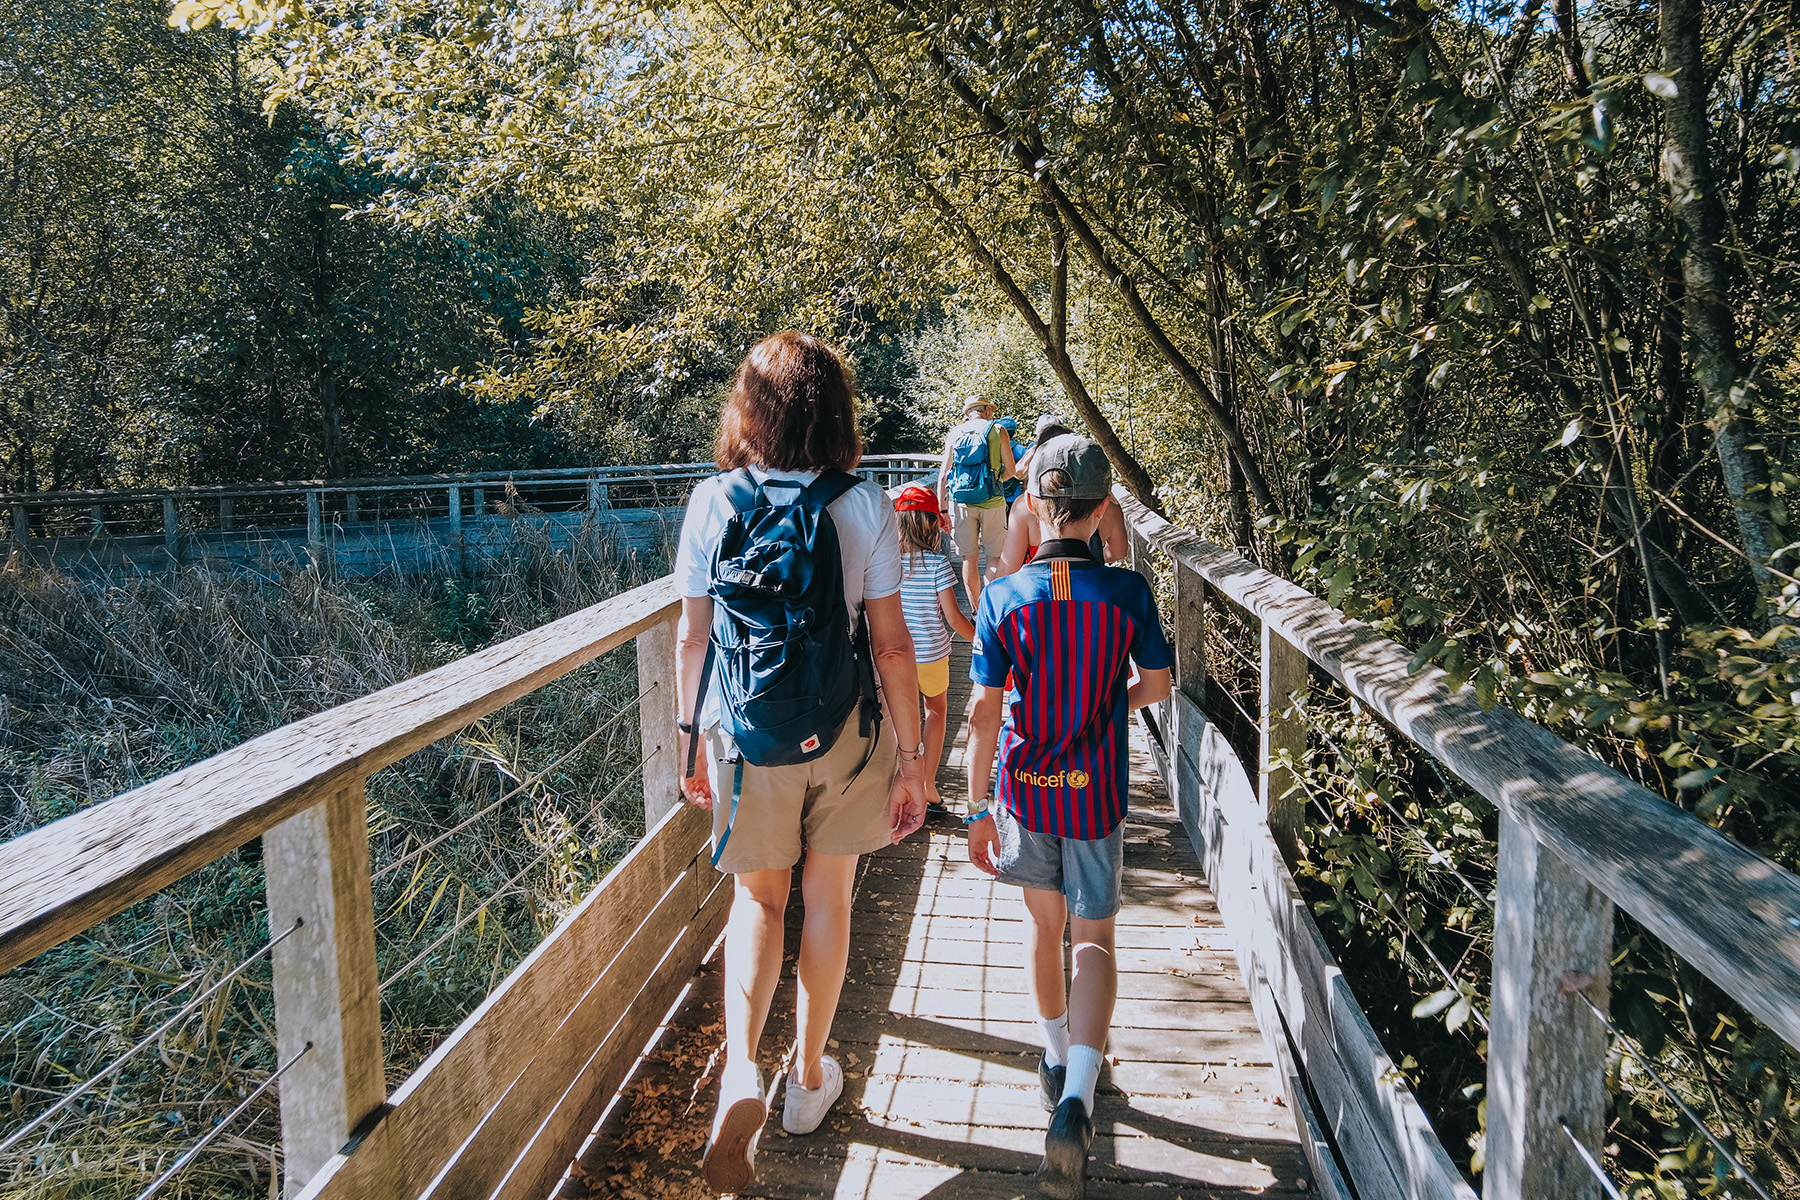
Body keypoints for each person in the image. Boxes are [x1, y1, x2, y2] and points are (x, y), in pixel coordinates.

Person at [676, 332, 929, 1193]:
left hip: (746, 739)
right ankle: (808, 1080)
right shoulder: (864, 505)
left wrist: (689, 737)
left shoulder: (712, 501)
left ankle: (741, 1070)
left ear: (750, 411)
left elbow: (693, 634)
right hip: (847, 732)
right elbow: (893, 648)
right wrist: (917, 764)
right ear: (836, 413)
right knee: (827, 898)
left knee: (758, 899)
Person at [961, 435, 1173, 1200]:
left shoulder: (1003, 597)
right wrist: (1107, 705)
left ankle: (1054, 1059)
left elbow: (984, 712)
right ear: (1102, 509)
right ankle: (1079, 1096)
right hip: (1097, 794)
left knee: (1043, 932)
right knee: (1096, 941)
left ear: (1032, 507)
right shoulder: (1125, 595)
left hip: (1025, 789)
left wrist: (977, 806)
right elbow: (1158, 683)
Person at [893, 485, 976, 813]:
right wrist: (982, 640)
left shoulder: (887, 564)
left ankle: (899, 779)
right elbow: (955, 618)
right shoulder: (938, 565)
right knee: (936, 711)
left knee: (898, 716)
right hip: (931, 657)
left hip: (895, 657)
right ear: (932, 525)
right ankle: (927, 784)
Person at [994, 417, 1130, 577]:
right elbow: (1119, 551)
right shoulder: (1108, 504)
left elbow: (1008, 570)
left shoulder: (1023, 507)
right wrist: (1088, 561)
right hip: (1091, 584)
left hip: (1037, 590)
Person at [937, 394, 1017, 609]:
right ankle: (991, 608)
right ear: (987, 411)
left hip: (961, 502)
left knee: (968, 559)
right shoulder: (997, 430)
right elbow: (1011, 470)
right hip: (992, 501)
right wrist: (995, 480)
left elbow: (944, 475)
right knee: (993, 558)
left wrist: (942, 510)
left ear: (969, 412)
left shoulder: (954, 433)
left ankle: (975, 610)